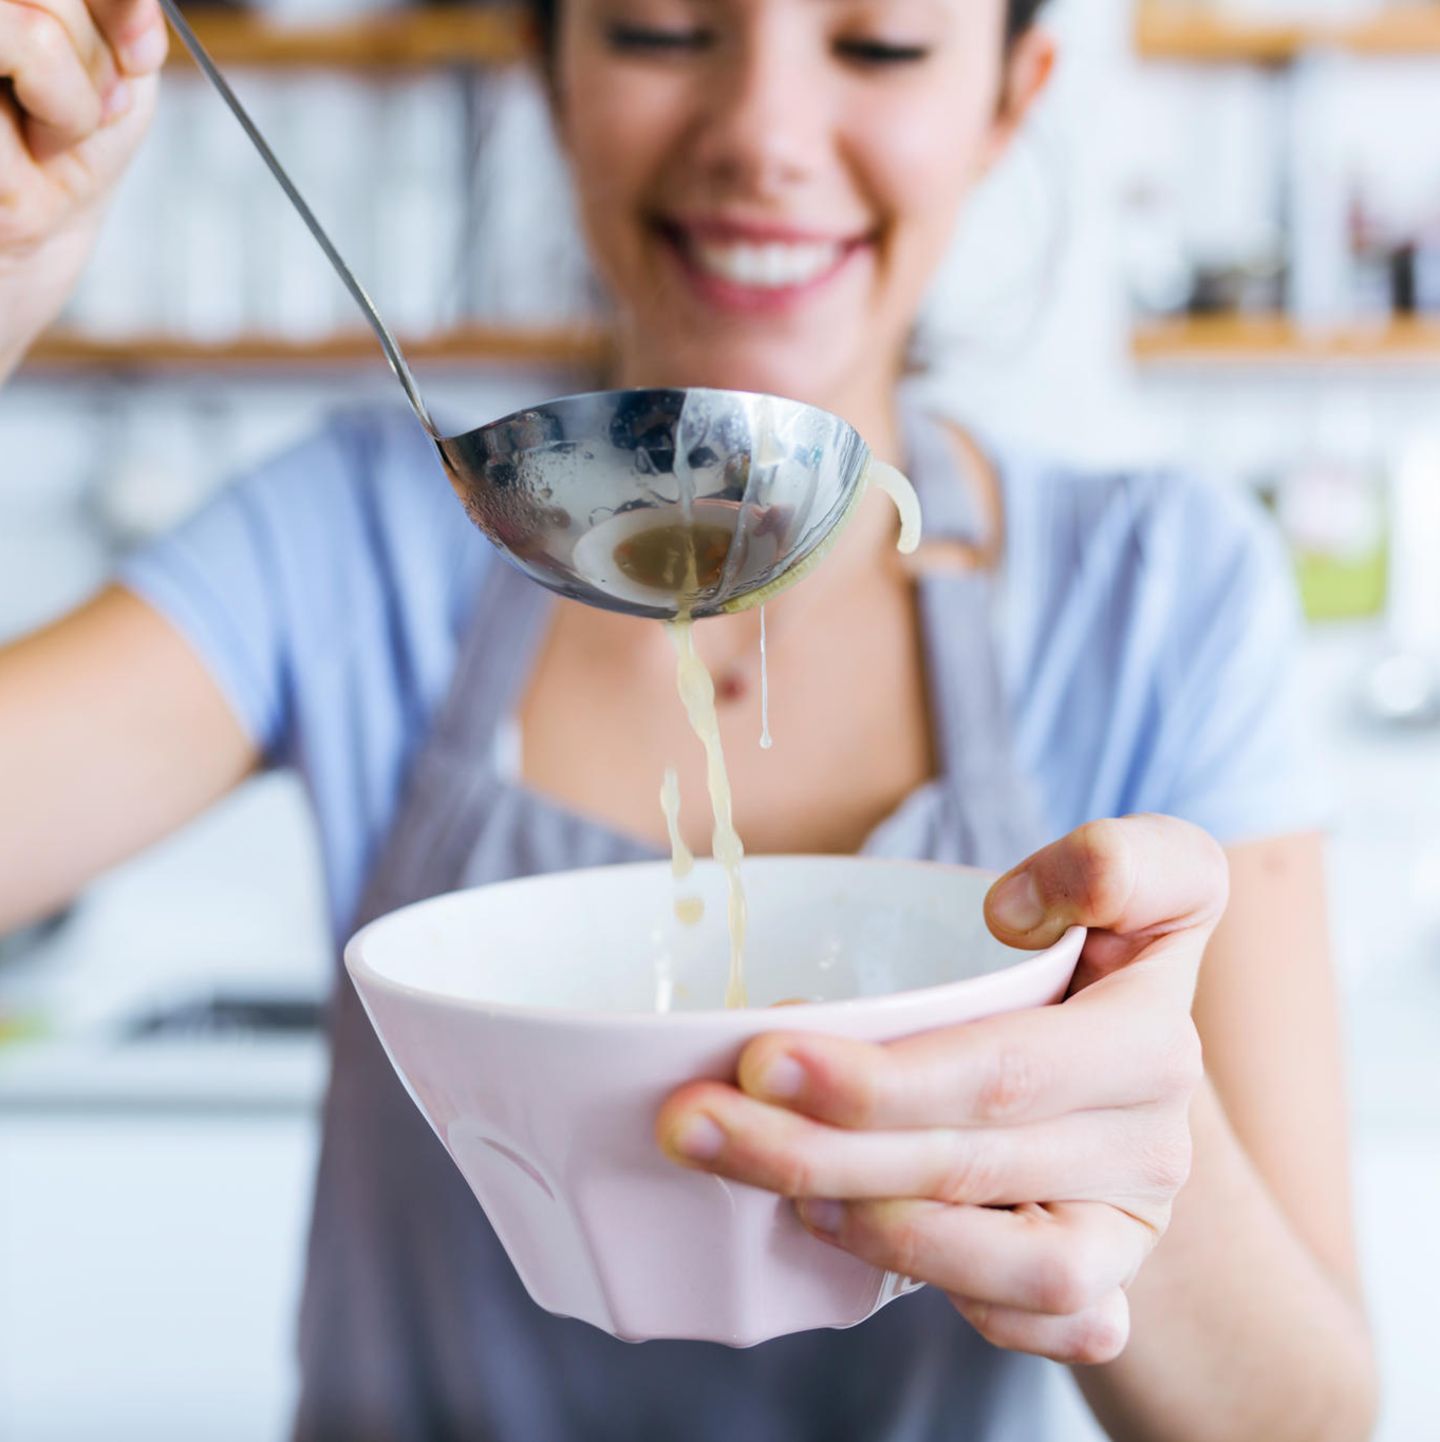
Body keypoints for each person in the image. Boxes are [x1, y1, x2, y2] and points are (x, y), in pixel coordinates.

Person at [0, 0, 1378, 1436]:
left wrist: (1154, 1164)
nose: (763, 137)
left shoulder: (1164, 600)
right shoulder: (349, 540)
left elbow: (1315, 1418)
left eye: (882, 45)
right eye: (663, 29)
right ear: (548, 70)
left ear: (1011, 98)